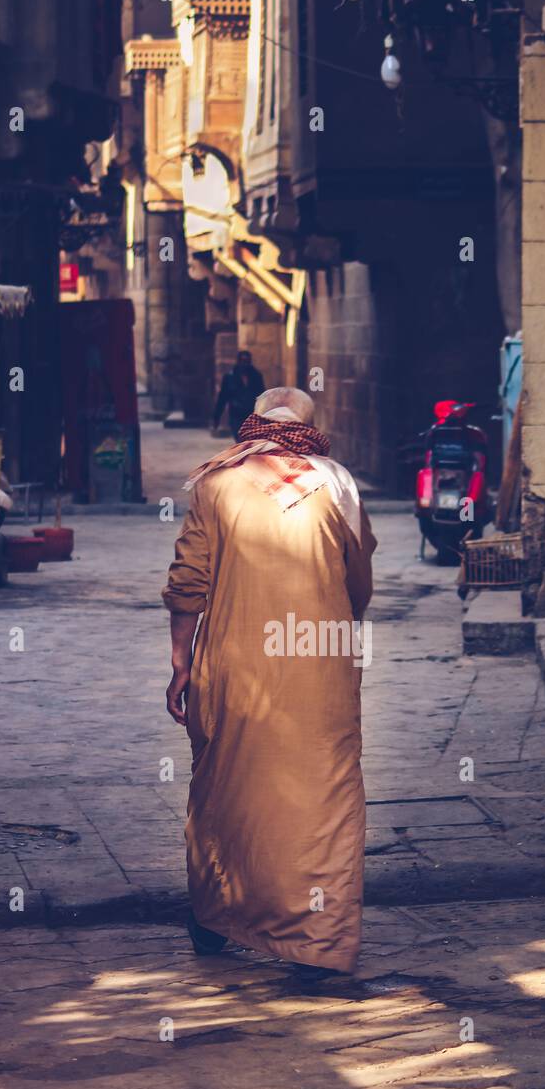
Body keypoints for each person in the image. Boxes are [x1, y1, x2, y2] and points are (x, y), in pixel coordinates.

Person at [163, 386, 377, 982]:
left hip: (235, 663)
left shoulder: (214, 482)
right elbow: (358, 584)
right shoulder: (337, 483)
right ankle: (318, 939)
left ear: (252, 423)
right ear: (311, 426)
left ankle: (215, 914)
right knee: (323, 792)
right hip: (320, 663)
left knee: (228, 787)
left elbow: (188, 586)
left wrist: (182, 663)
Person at [212, 350, 265, 440]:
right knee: (240, 439)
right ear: (238, 361)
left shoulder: (256, 376)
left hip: (251, 415)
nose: (244, 364)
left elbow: (262, 396)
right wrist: (216, 417)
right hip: (236, 415)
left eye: (246, 361)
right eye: (242, 360)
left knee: (250, 440)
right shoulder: (229, 377)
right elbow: (222, 398)